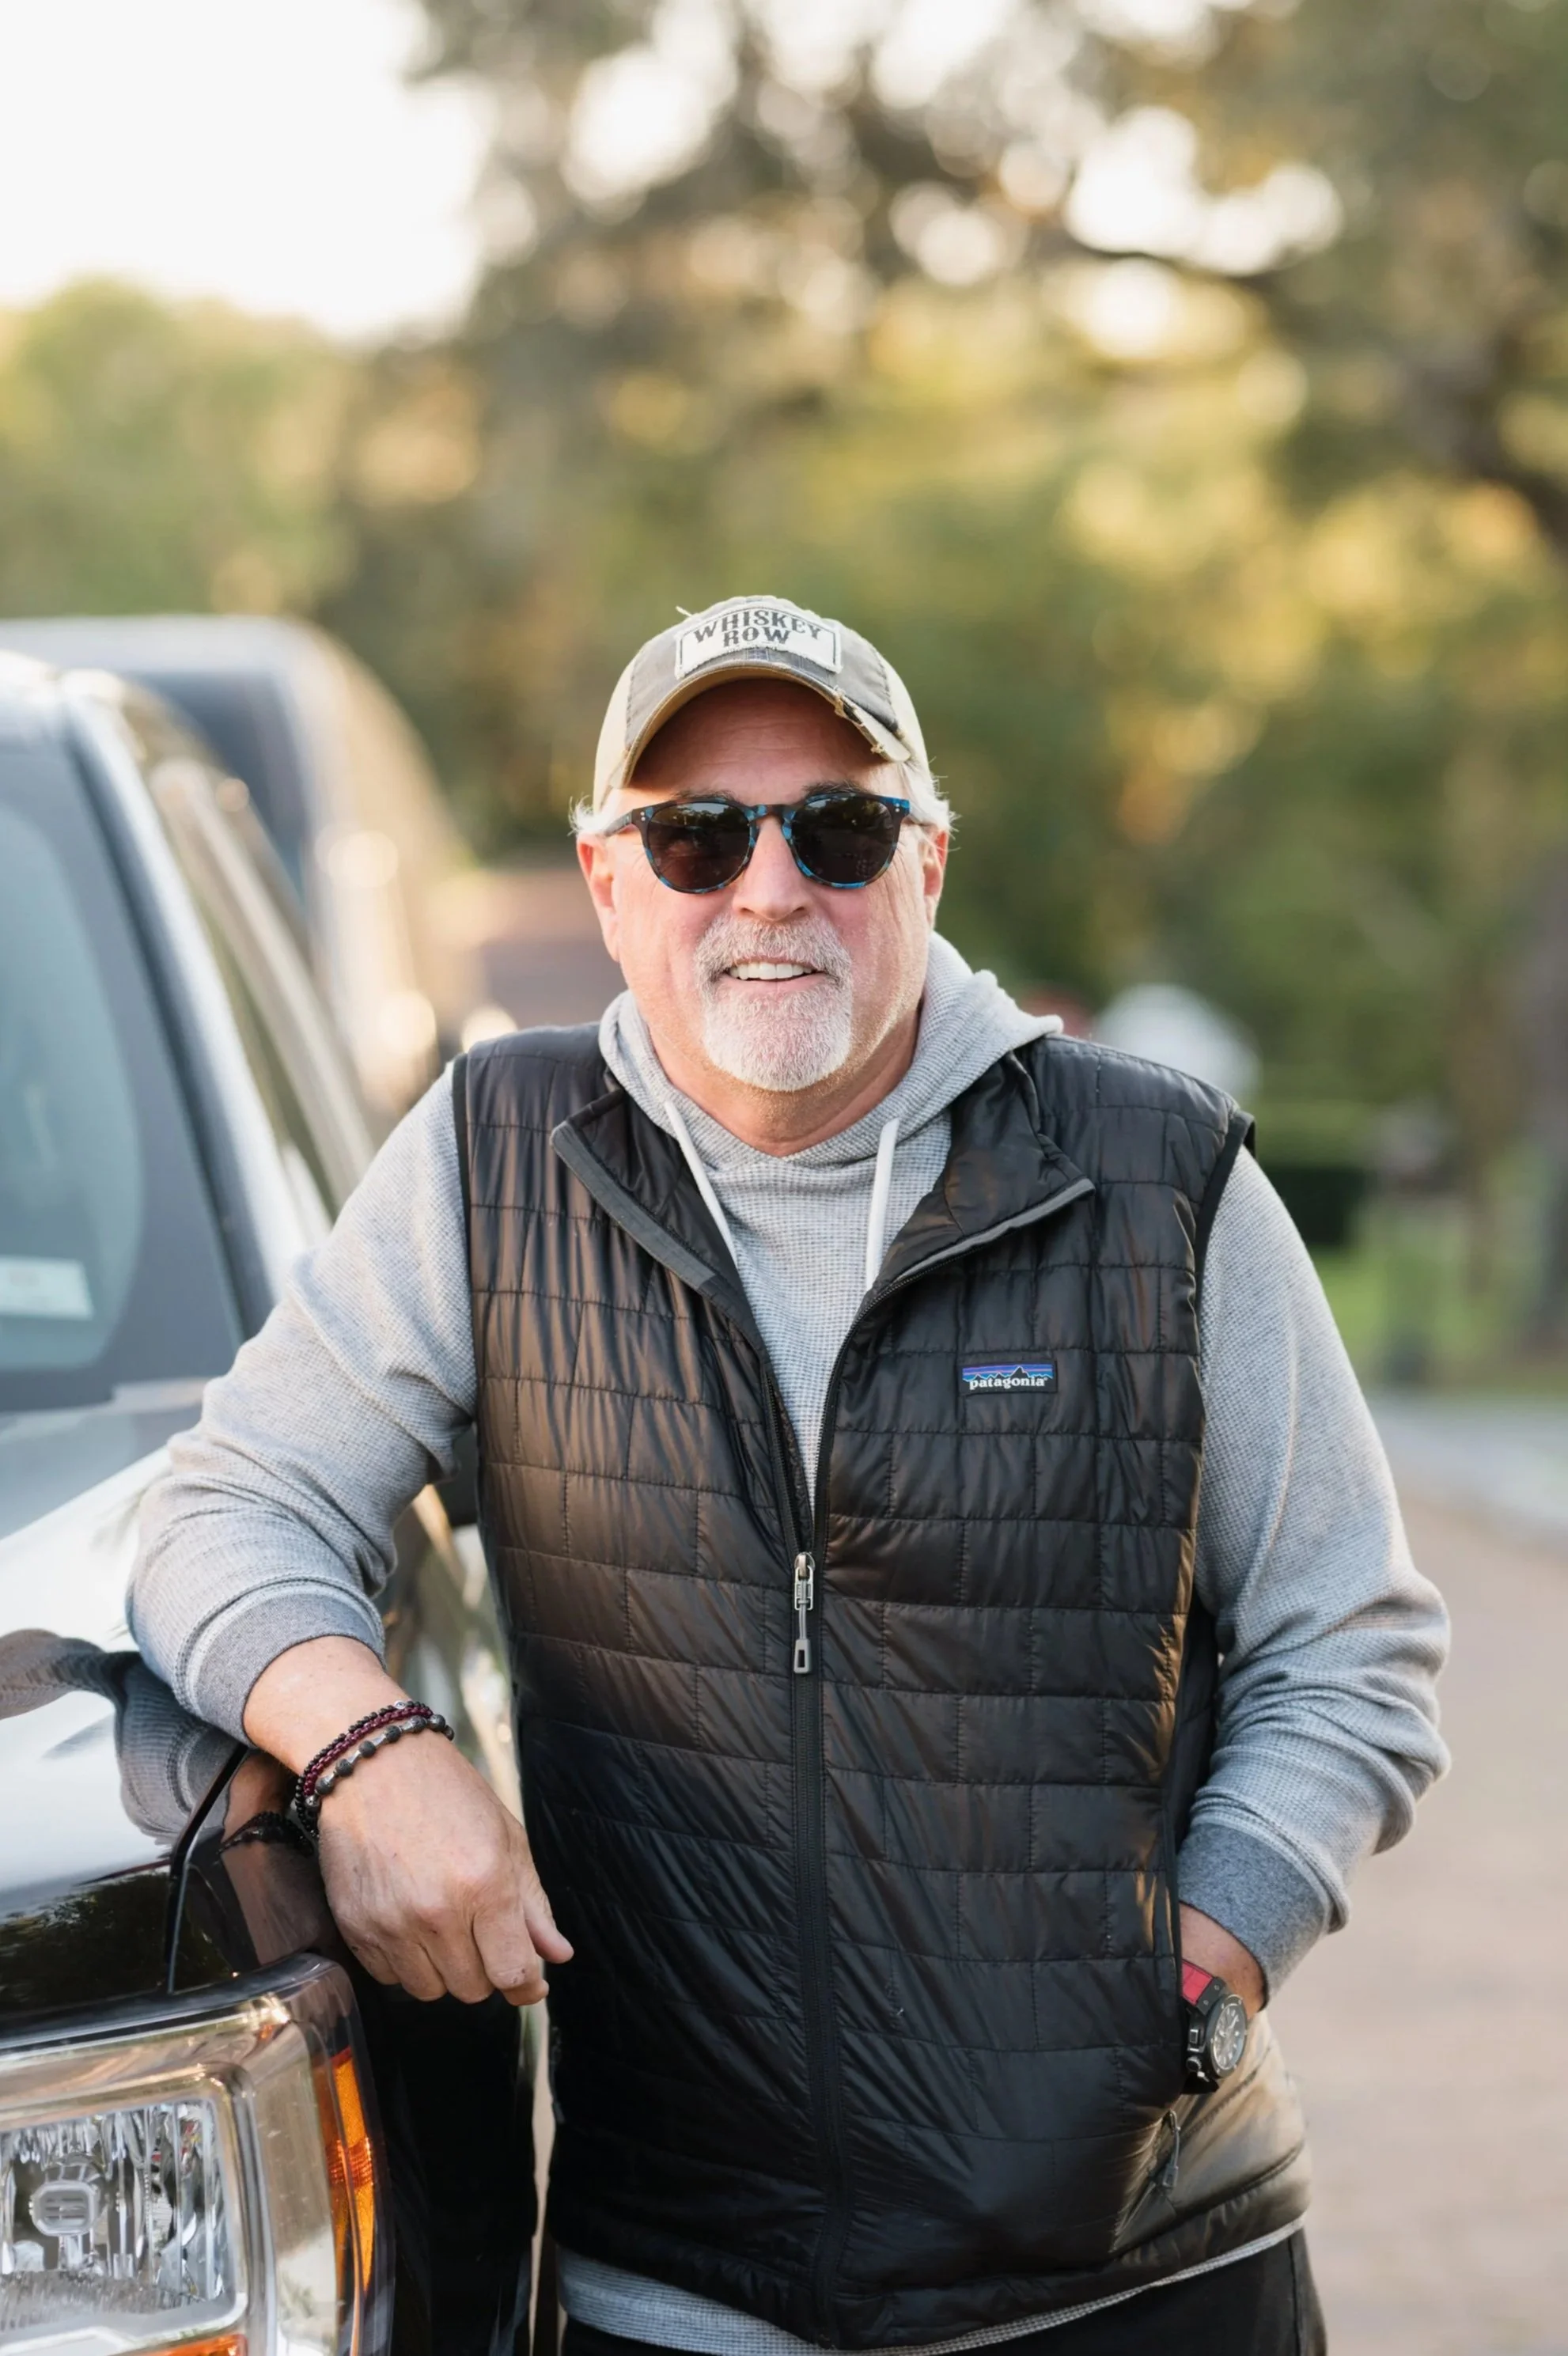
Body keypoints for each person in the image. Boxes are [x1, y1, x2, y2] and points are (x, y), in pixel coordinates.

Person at [133, 594, 1449, 2356]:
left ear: (926, 865)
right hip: (688, 2291)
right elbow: (223, 1509)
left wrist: (1193, 1986)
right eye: (696, 835)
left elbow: (1350, 1642)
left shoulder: (1159, 1175)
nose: (768, 889)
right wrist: (367, 1748)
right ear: (609, 882)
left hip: (1145, 2272)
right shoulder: (489, 1160)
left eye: (838, 827)